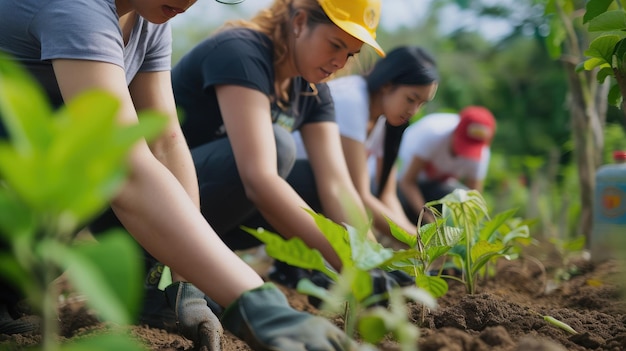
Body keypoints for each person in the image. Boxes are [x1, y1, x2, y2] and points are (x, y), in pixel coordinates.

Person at [0, 0, 359, 350]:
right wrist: (253, 298)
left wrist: (188, 284)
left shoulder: (147, 22)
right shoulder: (76, 8)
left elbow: (166, 144)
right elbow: (126, 167)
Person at [171, 0, 414, 292]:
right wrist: (352, 263)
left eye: (350, 54)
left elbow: (338, 187)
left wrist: (375, 261)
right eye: (334, 44)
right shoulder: (241, 52)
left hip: (206, 210)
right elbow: (259, 180)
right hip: (151, 199)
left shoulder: (313, 91)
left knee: (313, 180)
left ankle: (269, 270)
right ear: (299, 22)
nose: (340, 62)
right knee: (279, 147)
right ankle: (157, 268)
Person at [291, 46, 439, 246]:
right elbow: (358, 196)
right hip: (293, 182)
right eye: (411, 99)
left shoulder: (383, 119)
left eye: (421, 104)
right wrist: (419, 244)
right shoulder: (352, 101)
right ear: (387, 85)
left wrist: (415, 243)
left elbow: (387, 195)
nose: (414, 110)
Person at [396, 106, 497, 223]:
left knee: (461, 198)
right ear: (456, 131)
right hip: (403, 181)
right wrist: (429, 221)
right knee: (402, 204)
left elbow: (472, 198)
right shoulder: (433, 134)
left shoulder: (481, 153)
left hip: (436, 186)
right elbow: (407, 182)